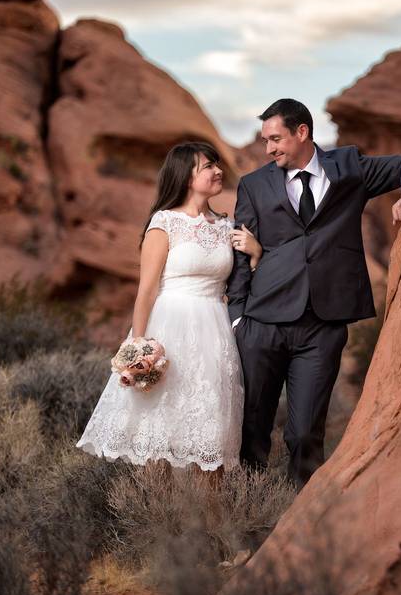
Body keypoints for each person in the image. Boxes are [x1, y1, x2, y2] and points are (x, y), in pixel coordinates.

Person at [226, 98, 401, 489]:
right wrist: (238, 318)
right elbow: (241, 251)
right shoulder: (254, 185)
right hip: (262, 322)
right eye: (266, 141)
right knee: (253, 431)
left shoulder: (349, 167)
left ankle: (297, 526)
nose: (268, 149)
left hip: (322, 326)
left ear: (302, 132)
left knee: (304, 434)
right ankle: (248, 525)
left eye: (275, 139)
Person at [77, 141, 263, 471]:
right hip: (170, 327)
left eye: (217, 164)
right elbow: (146, 290)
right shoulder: (164, 223)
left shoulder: (225, 226)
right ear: (186, 176)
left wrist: (255, 253)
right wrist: (138, 344)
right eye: (208, 166)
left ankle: (215, 518)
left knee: (212, 426)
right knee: (162, 427)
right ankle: (161, 516)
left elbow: (239, 284)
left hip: (214, 330)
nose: (218, 171)